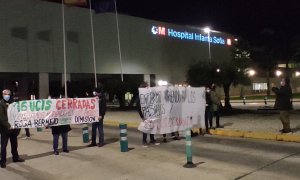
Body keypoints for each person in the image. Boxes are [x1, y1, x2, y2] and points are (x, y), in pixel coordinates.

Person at [0, 89, 25, 168]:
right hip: (5, 129)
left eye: (8, 94)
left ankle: (15, 157)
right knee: (4, 146)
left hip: (13, 128)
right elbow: (2, 118)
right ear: (3, 94)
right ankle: (3, 161)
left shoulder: (12, 103)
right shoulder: (1, 104)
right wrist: (8, 125)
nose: (7, 95)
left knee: (14, 144)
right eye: (5, 94)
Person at [136, 82, 159, 146]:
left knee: (152, 127)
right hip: (145, 115)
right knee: (145, 128)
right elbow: (138, 107)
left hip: (151, 114)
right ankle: (144, 141)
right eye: (146, 87)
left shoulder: (149, 95)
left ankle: (152, 140)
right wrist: (142, 116)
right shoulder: (140, 96)